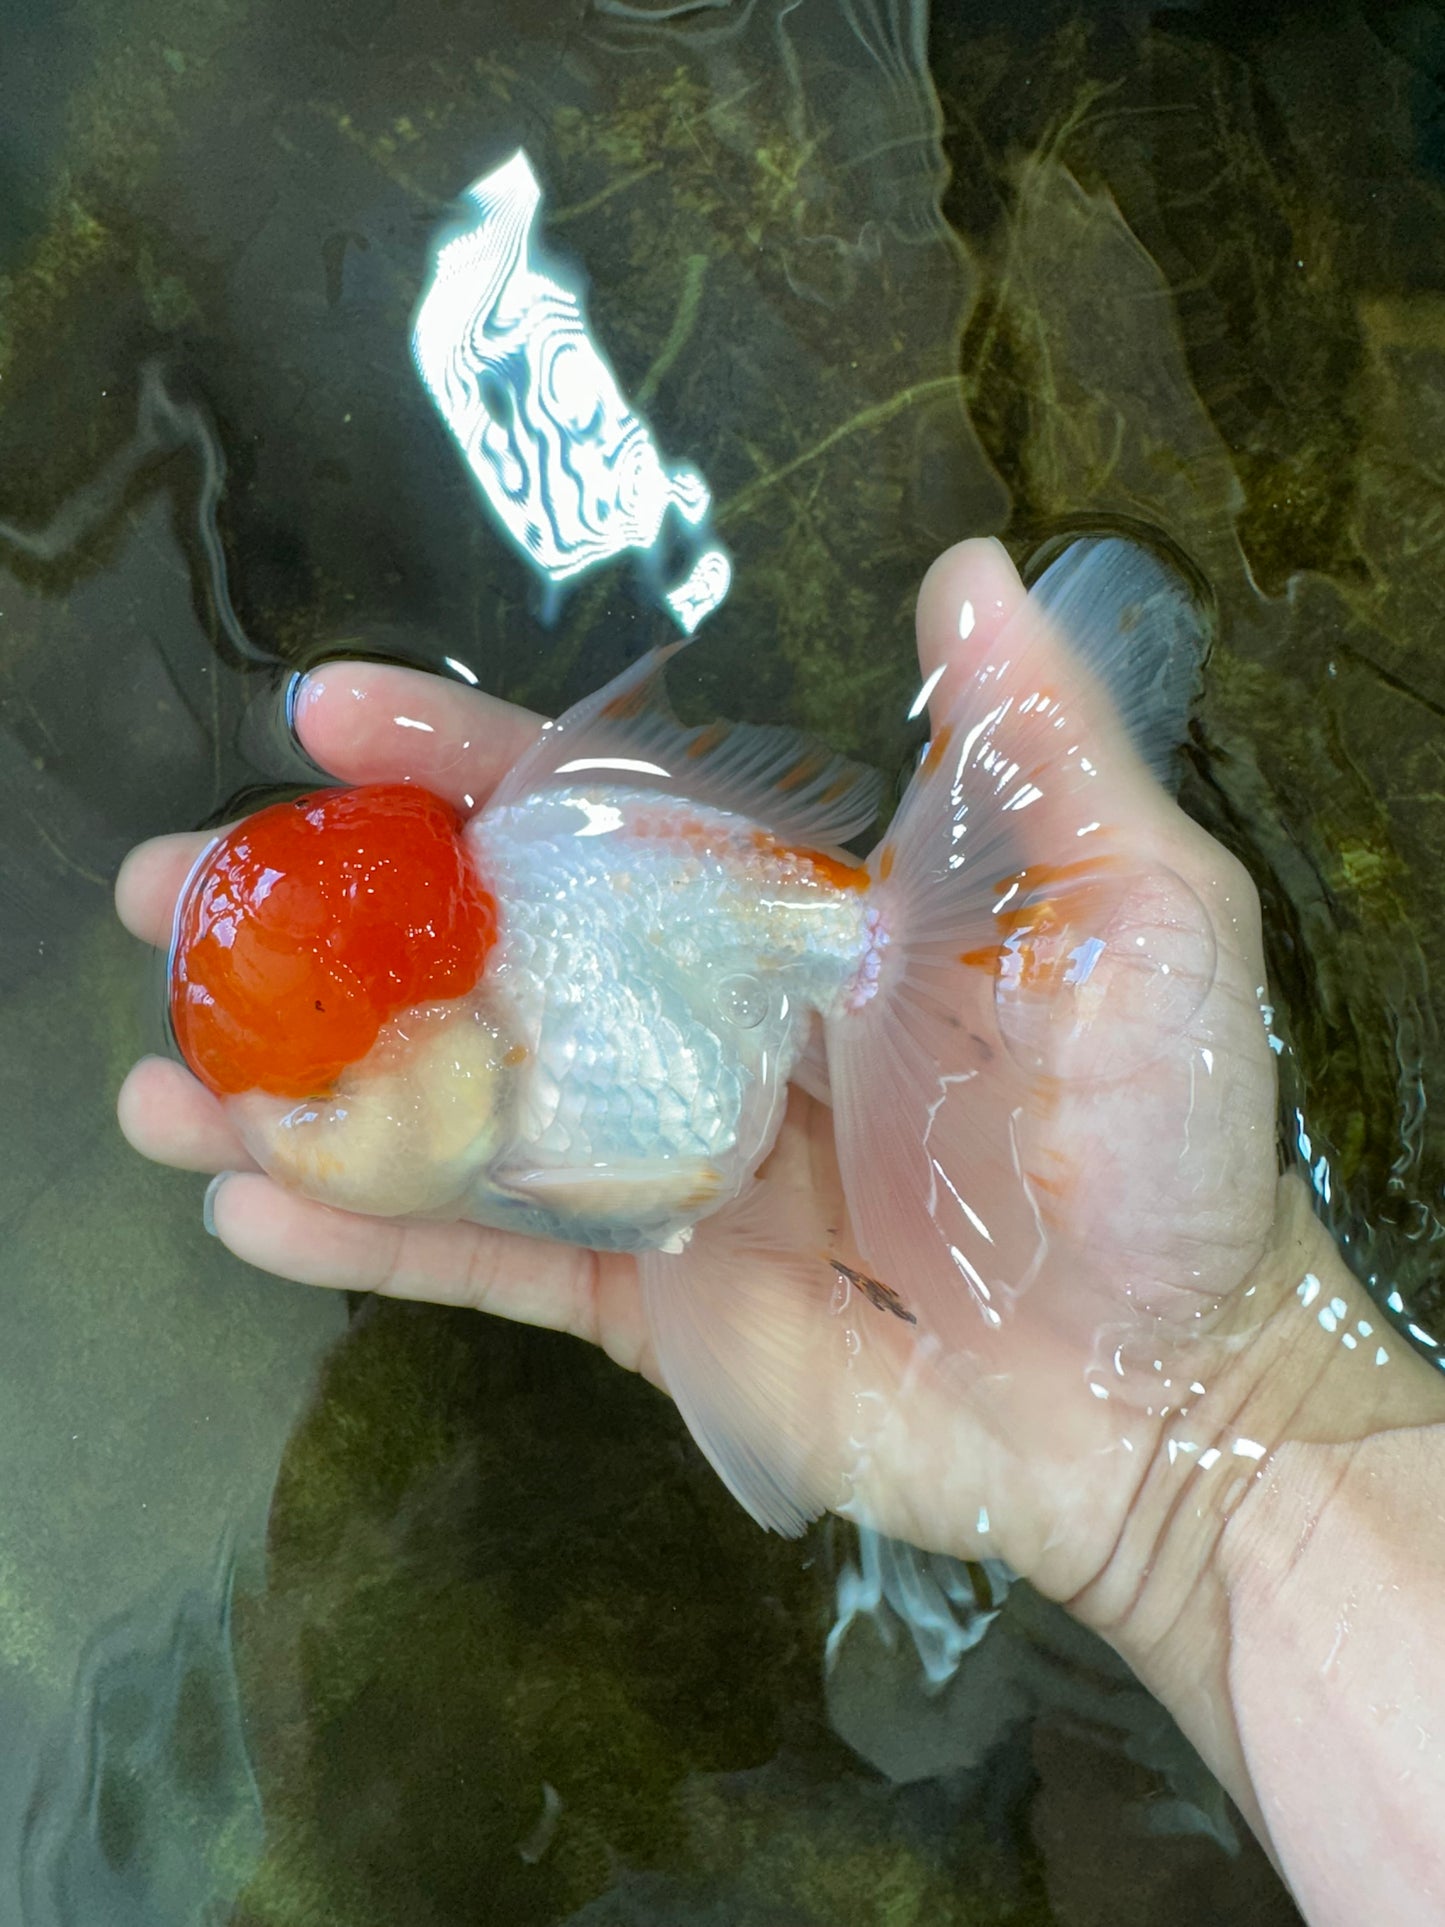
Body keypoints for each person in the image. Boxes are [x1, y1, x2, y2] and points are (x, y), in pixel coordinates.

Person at [115, 539, 1445, 1923]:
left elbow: (669, 1166)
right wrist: (1222, 1445)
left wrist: (1208, 1426)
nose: (297, 1133)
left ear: (441, 1039)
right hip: (728, 1104)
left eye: (324, 1092)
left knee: (809, 1012)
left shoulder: (541, 972)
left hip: (753, 1056)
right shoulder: (510, 955)